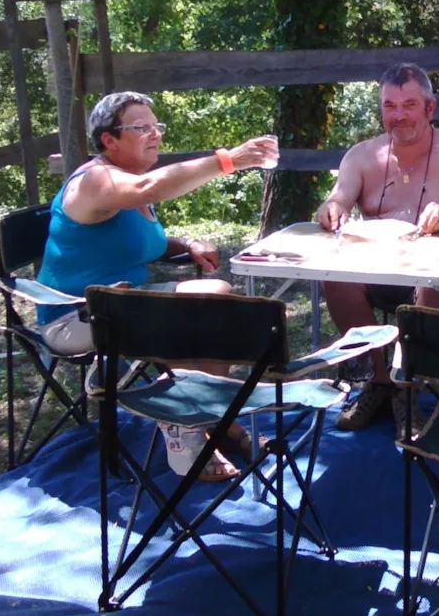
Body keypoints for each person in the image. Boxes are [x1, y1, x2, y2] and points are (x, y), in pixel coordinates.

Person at [36, 90, 278, 478]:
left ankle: (211, 417)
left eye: (156, 126)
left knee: (218, 300)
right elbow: (150, 188)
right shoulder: (95, 180)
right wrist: (228, 160)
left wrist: (187, 243)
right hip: (75, 316)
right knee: (178, 323)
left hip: (124, 304)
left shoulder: (131, 180)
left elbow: (139, 240)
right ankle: (189, 436)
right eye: (141, 127)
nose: (155, 134)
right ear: (109, 140)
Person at [314, 63, 439, 430]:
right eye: (390, 106)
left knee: (432, 280)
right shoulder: (362, 155)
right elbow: (336, 201)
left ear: (430, 108)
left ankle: (408, 386)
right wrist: (330, 210)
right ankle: (383, 382)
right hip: (379, 270)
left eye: (409, 105)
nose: (399, 115)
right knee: (336, 278)